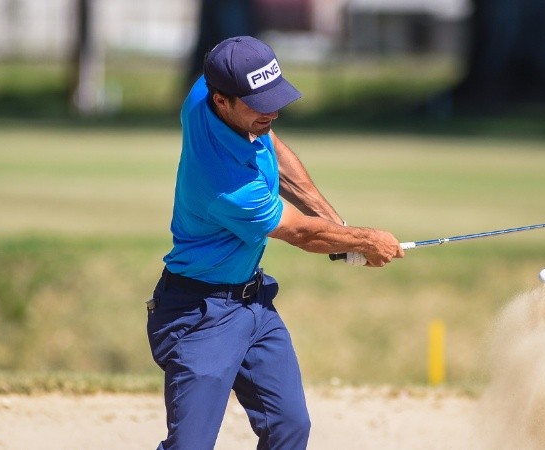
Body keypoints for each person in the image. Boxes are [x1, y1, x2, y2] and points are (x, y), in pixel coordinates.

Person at [146, 35, 404, 450]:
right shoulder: (228, 185)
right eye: (259, 103)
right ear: (221, 101)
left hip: (254, 306)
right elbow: (300, 232)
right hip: (199, 316)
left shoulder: (210, 96)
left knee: (289, 427)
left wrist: (338, 226)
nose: (273, 111)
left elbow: (277, 156)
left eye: (275, 98)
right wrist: (366, 239)